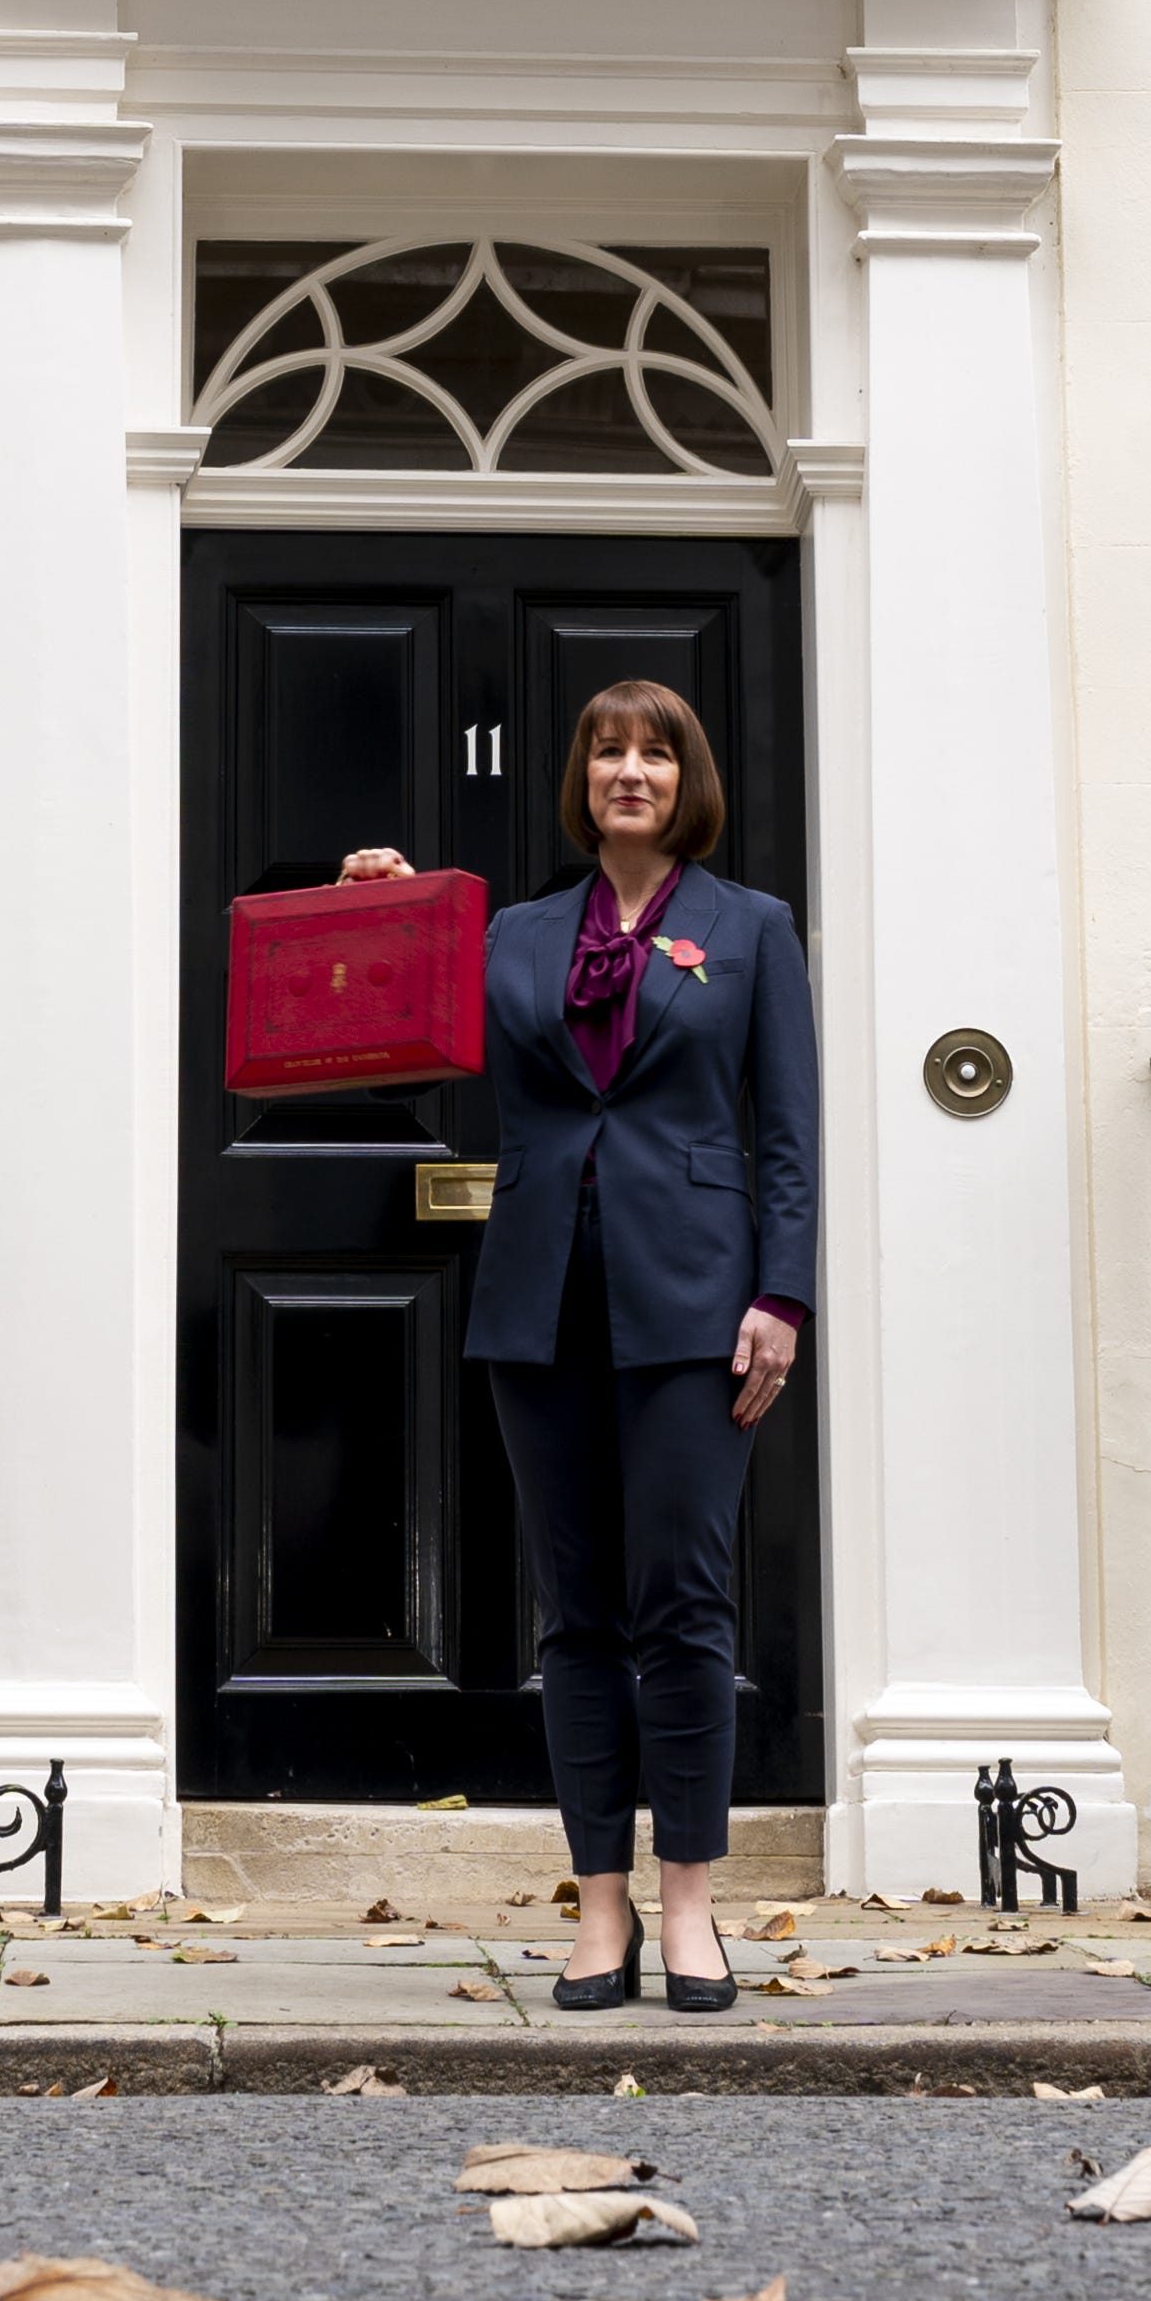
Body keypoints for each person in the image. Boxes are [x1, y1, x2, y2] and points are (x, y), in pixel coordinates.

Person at [339, 679, 815, 2013]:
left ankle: (687, 1910)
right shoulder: (512, 934)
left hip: (694, 1304)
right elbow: (388, 1048)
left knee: (684, 1611)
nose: (627, 771)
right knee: (579, 1618)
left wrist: (780, 1295)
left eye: (653, 753)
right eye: (607, 750)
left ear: (686, 782)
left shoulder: (749, 930)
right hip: (538, 1300)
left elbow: (785, 1132)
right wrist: (378, 900)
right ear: (581, 777)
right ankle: (596, 1907)